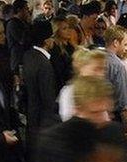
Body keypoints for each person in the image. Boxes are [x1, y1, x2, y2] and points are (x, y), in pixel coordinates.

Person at [22, 20, 60, 150]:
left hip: (32, 116)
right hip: (43, 122)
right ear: (46, 40)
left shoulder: (28, 56)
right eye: (52, 37)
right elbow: (48, 98)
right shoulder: (44, 64)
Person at [58, 48, 107, 121]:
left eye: (103, 69)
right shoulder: (68, 92)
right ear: (82, 68)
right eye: (96, 69)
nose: (102, 73)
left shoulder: (103, 90)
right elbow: (67, 121)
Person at [104, 25, 127, 138]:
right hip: (114, 117)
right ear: (116, 42)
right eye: (125, 44)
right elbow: (123, 100)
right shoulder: (117, 66)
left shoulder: (96, 59)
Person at [6, 0, 32, 73]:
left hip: (27, 58)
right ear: (19, 10)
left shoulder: (24, 22)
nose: (28, 11)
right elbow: (22, 40)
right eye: (26, 9)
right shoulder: (12, 24)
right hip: (18, 59)